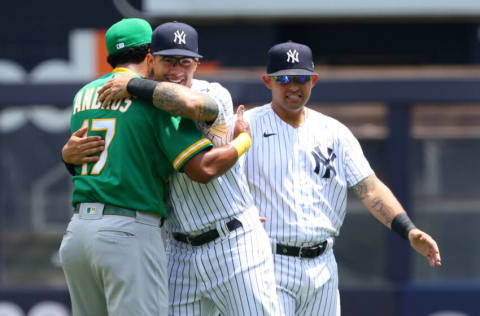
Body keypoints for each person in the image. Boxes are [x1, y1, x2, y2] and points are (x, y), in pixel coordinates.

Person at [63, 21, 280, 316]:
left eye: (185, 61)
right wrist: (244, 141)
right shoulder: (152, 104)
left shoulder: (86, 95)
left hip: (229, 239)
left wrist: (134, 85)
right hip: (161, 242)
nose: (176, 69)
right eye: (168, 60)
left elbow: (192, 107)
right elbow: (202, 168)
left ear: (197, 63)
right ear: (151, 58)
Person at [237, 41, 442, 315]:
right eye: (283, 78)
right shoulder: (246, 126)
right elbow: (218, 183)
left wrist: (409, 230)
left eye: (301, 78)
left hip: (323, 265)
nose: (293, 86)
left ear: (314, 81)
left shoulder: (335, 132)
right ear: (267, 81)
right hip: (267, 260)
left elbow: (369, 188)